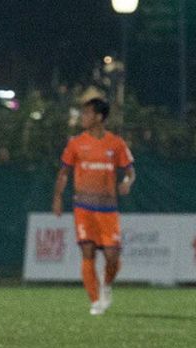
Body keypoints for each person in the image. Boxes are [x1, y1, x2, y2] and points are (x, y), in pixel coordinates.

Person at [52, 98, 136, 315]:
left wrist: (127, 182)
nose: (83, 117)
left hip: (108, 210)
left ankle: (106, 285)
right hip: (83, 207)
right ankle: (95, 300)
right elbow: (64, 173)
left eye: (87, 113)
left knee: (112, 256)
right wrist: (58, 197)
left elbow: (130, 171)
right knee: (87, 251)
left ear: (99, 117)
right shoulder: (75, 143)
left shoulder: (116, 143)